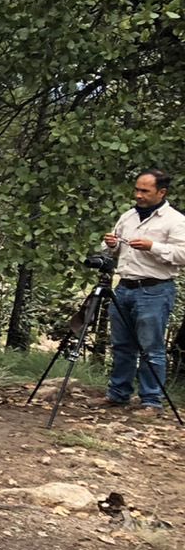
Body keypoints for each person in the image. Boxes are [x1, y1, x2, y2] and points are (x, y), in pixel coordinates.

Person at [101, 169, 185, 415]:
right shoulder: (128, 217)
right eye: (137, 189)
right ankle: (118, 394)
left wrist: (153, 247)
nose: (138, 195)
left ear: (161, 192)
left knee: (151, 348)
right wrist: (111, 244)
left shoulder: (175, 220)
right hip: (124, 287)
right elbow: (112, 251)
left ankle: (151, 401)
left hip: (155, 289)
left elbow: (182, 255)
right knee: (121, 345)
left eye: (144, 191)